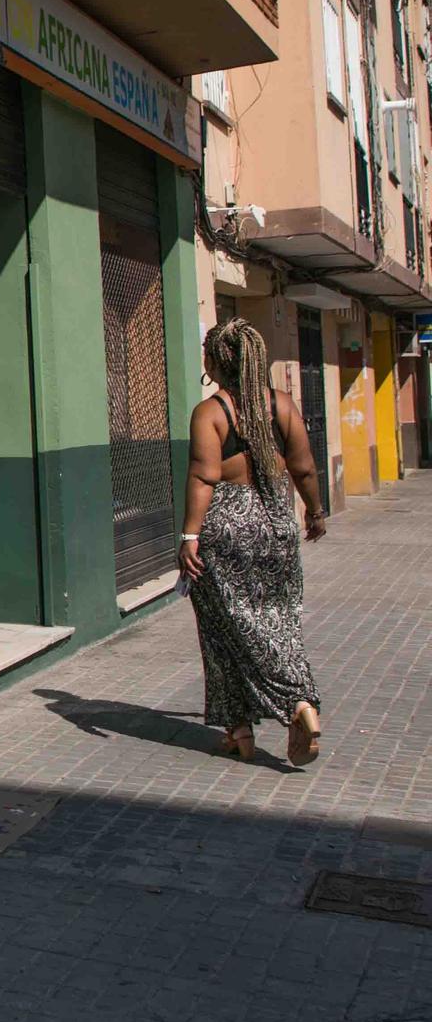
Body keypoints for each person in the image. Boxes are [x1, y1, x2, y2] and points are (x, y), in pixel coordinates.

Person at [178, 317, 326, 765]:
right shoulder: (281, 405)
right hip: (276, 524)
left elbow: (205, 475)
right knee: (277, 620)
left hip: (226, 528)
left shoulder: (211, 412)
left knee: (227, 628)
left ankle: (293, 704)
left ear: (215, 360)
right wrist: (316, 511)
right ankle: (241, 730)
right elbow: (303, 467)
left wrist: (189, 535)